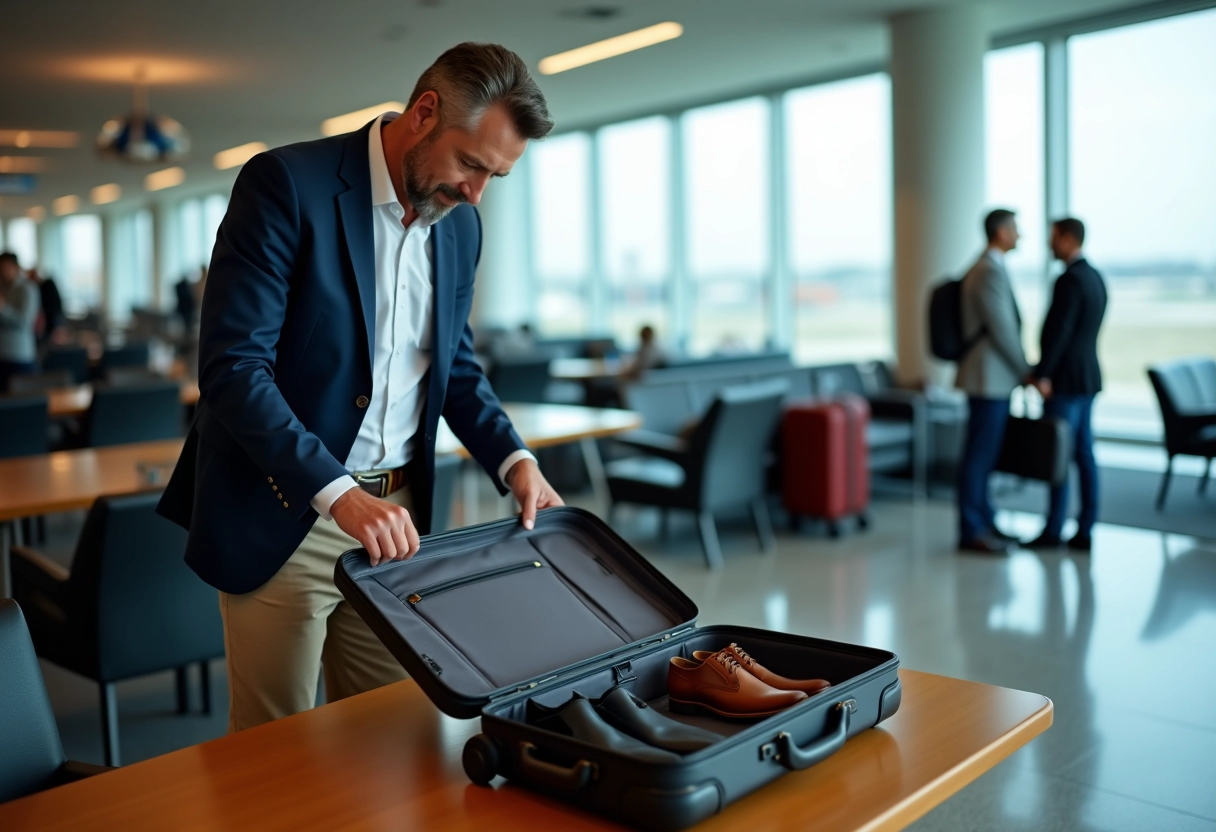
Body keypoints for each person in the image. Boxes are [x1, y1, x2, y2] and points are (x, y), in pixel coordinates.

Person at [157, 43, 564, 732]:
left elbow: (453, 366)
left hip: (401, 517)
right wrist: (339, 496)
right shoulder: (286, 184)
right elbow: (234, 370)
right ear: (425, 112)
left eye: (495, 175)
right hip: (290, 508)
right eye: (471, 163)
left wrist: (514, 459)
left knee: (391, 736)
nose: (476, 193)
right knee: (276, 751)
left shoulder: (460, 226)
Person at [1023, 218, 1106, 552]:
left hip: (1065, 382)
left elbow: (1058, 334)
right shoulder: (1095, 277)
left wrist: (1042, 374)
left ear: (1069, 239)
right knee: (1084, 454)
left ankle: (1054, 528)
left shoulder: (1069, 280)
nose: (1049, 245)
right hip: (1087, 378)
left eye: (1053, 238)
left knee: (1056, 455)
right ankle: (1085, 528)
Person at [955, 209, 1031, 554]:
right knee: (979, 456)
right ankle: (973, 530)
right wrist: (1025, 370)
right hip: (988, 378)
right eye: (1015, 229)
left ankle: (985, 521)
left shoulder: (990, 267)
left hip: (992, 378)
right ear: (1000, 231)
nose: (1020, 235)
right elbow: (1002, 328)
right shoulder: (987, 270)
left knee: (984, 454)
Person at [0, 252, 41, 391]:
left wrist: (3, 307)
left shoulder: (27, 289)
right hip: (2, 355)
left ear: (16, 267)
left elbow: (25, 321)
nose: (3, 271)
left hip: (19, 356)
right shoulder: (2, 288)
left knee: (21, 402)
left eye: (6, 267)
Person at [29, 268, 66, 345]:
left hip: (51, 326)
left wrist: (57, 326)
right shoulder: (35, 289)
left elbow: (56, 307)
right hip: (42, 328)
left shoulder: (47, 285)